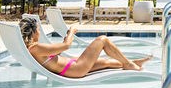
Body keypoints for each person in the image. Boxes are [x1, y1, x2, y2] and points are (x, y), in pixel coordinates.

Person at [19, 16, 151, 78]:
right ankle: (129, 64)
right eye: (38, 30)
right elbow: (66, 46)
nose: (40, 32)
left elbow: (59, 50)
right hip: (75, 69)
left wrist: (65, 40)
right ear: (34, 32)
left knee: (105, 62)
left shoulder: (33, 48)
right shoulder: (35, 48)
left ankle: (131, 63)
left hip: (73, 65)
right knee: (102, 40)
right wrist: (71, 32)